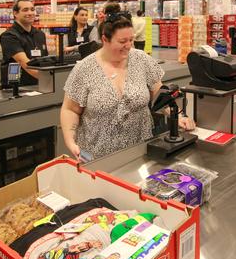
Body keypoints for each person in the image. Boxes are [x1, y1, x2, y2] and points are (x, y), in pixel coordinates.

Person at [60, 12, 195, 161]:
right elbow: (70, 109)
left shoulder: (142, 59)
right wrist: (70, 141)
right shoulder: (84, 68)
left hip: (141, 151)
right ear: (105, 39)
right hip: (97, 155)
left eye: (131, 39)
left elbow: (159, 95)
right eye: (122, 41)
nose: (129, 45)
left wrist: (178, 116)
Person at [0, 0, 49, 88]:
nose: (30, 13)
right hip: (17, 88)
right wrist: (50, 77)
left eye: (32, 9)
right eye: (25, 10)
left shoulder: (40, 34)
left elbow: (45, 60)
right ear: (15, 13)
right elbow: (25, 63)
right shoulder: (9, 36)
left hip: (39, 84)